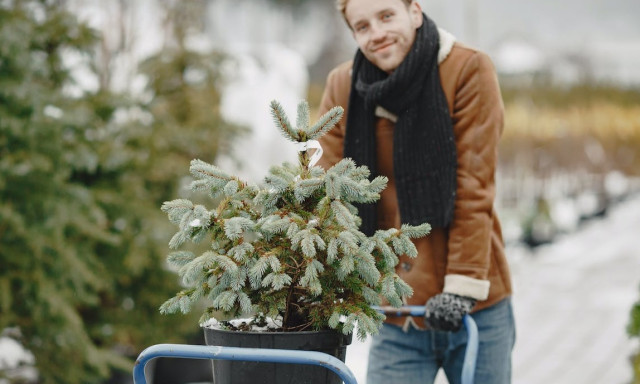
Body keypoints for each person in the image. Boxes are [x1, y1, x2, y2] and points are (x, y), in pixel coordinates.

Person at [316, 0, 515, 383]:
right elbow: (326, 186)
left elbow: (473, 187)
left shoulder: (467, 70)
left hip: (477, 308)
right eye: (362, 26)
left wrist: (461, 288)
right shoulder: (344, 85)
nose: (376, 34)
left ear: (415, 12)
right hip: (397, 310)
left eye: (386, 16)